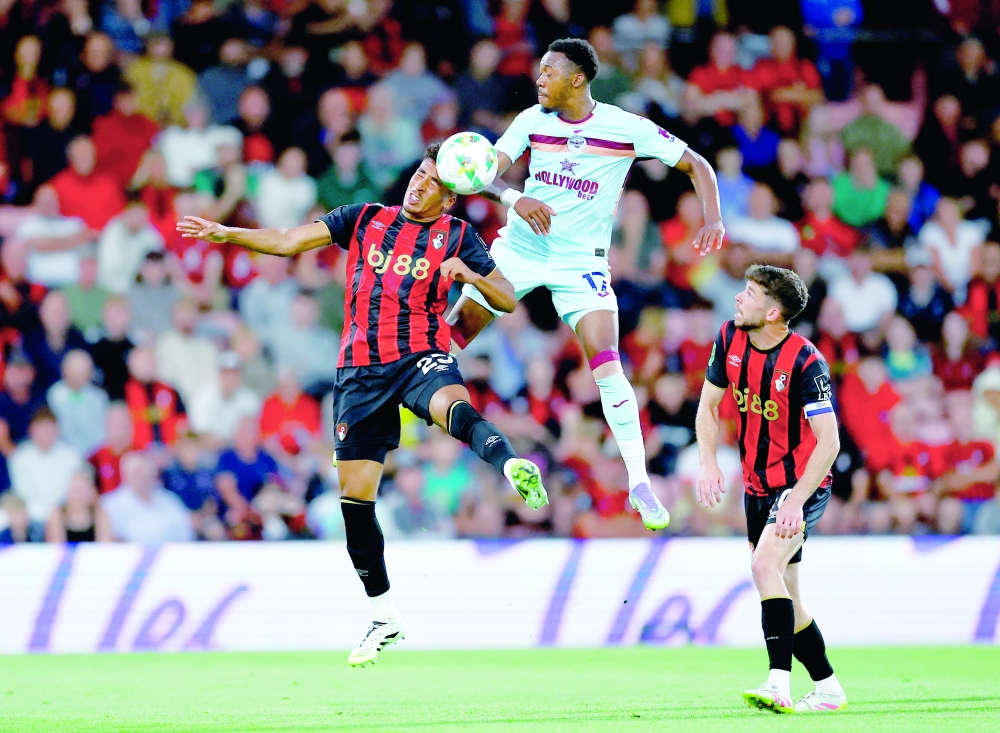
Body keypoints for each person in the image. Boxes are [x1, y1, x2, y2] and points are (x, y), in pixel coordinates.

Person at [176, 142, 549, 667]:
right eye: (419, 174)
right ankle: (383, 617)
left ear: (449, 200)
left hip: (419, 353)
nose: (419, 185)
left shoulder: (459, 236)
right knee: (355, 500)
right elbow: (288, 240)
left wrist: (469, 277)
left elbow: (506, 298)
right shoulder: (365, 218)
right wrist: (227, 233)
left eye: (433, 183)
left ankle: (510, 464)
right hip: (358, 373)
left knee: (451, 405)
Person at [448, 38, 725, 531]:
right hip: (521, 250)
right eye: (539, 71)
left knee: (608, 366)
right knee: (447, 341)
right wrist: (514, 198)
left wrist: (714, 218)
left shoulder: (625, 127)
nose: (539, 80)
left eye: (548, 72)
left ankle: (639, 483)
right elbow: (481, 174)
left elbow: (696, 164)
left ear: (577, 79)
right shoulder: (531, 120)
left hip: (580, 264)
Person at [695, 265, 846, 714]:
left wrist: (797, 499)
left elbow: (830, 441)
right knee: (788, 593)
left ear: (774, 312)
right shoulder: (729, 337)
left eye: (750, 293)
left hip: (801, 484)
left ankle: (778, 682)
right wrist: (707, 461)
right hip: (757, 485)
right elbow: (708, 406)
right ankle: (828, 688)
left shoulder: (805, 361)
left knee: (763, 566)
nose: (738, 298)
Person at [45, 469, 113, 543]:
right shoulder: (57, 514)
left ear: (91, 492)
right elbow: (56, 546)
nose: (78, 497)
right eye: (75, 491)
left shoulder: (99, 514)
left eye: (82, 491)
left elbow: (106, 546)